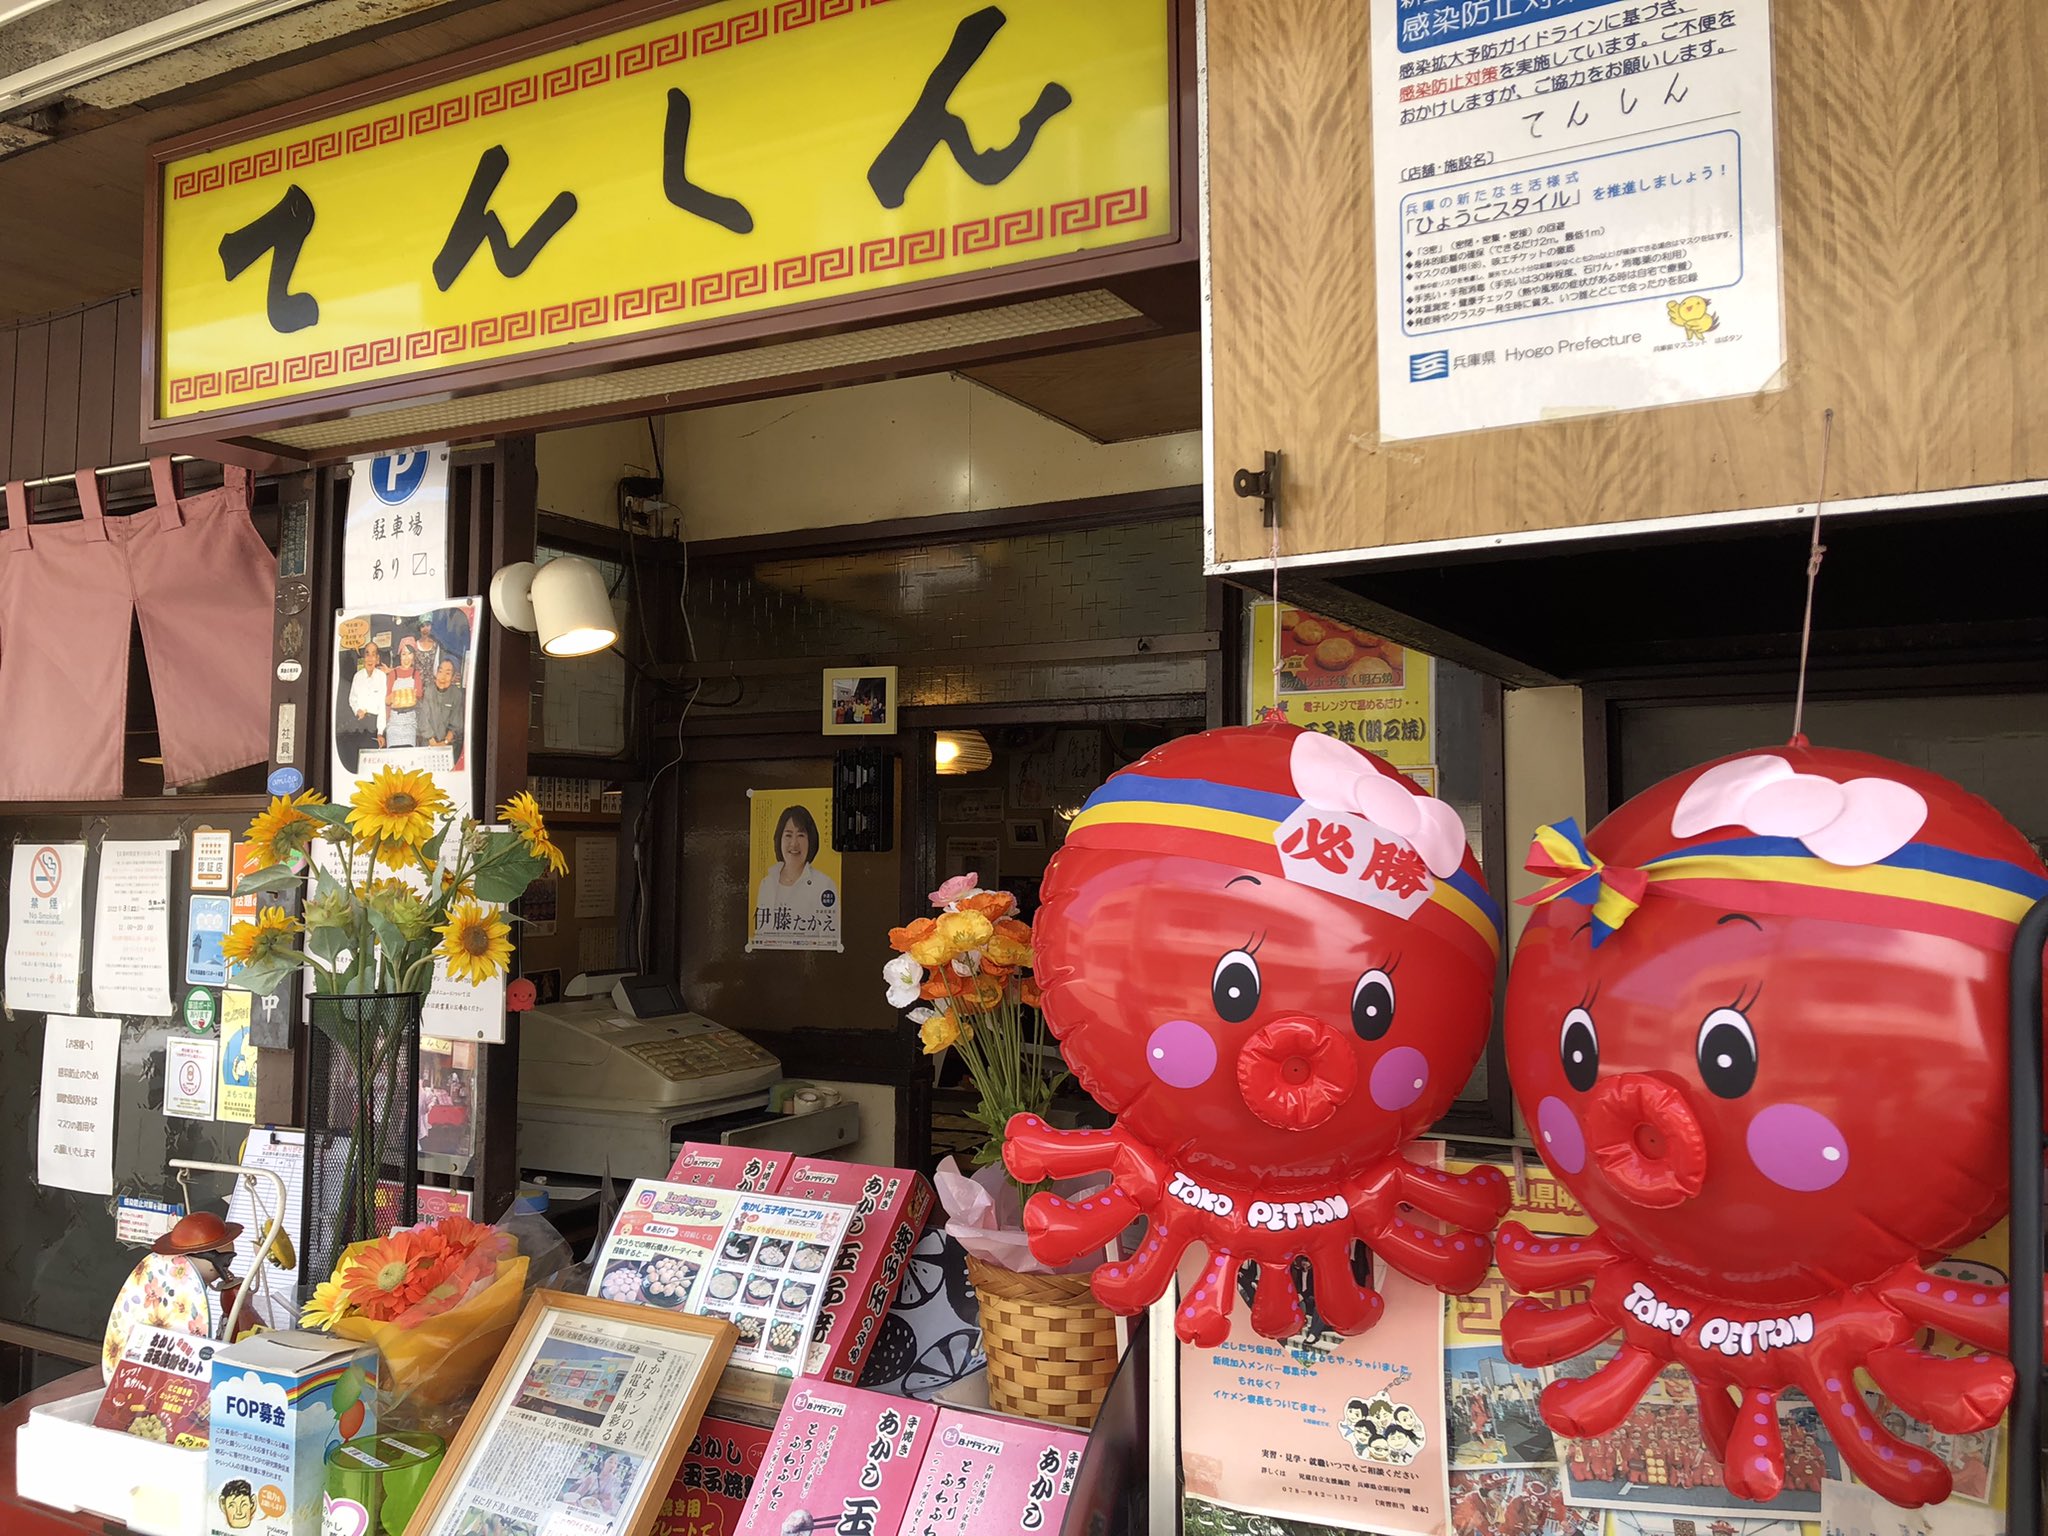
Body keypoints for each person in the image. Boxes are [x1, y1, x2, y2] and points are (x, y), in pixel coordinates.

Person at [754, 804, 837, 938]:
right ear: (779, 839)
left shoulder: (824, 885)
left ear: (811, 840)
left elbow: (830, 939)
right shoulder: (766, 884)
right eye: (788, 835)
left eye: (801, 835)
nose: (794, 843)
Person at [342, 641, 388, 772]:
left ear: (378, 658)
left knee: (374, 766)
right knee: (359, 763)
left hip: (374, 725)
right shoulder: (358, 676)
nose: (370, 658)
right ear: (363, 657)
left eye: (374, 654)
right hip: (359, 724)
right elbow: (352, 699)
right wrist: (357, 710)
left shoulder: (382, 677)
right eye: (367, 654)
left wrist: (380, 732)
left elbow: (382, 706)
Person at [418, 656, 466, 764]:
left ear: (453, 677)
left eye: (448, 673)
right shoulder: (429, 690)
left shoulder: (456, 694)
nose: (442, 677)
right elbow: (424, 720)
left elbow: (456, 725)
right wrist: (432, 741)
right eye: (440, 671)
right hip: (429, 743)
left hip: (449, 745)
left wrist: (445, 742)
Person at [384, 637, 421, 748]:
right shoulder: (393, 674)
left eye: (410, 654)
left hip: (410, 722)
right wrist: (405, 696)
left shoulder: (416, 674)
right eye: (403, 654)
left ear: (414, 656)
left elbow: (418, 695)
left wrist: (398, 697)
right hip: (394, 721)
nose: (406, 658)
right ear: (399, 655)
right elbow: (387, 700)